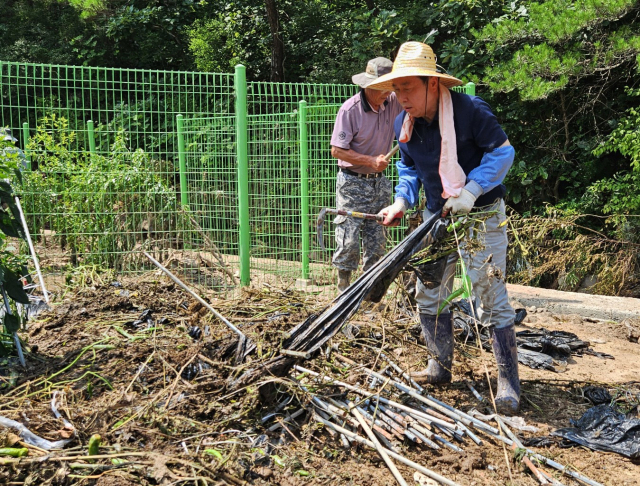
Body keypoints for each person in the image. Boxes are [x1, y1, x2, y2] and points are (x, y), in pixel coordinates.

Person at [369, 42, 520, 413]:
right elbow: (408, 168)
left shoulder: (470, 112)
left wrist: (470, 191)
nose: (400, 96)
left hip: (479, 215)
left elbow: (503, 153)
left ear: (433, 85)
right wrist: (402, 200)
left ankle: (508, 383)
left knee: (489, 294)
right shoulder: (403, 122)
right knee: (429, 290)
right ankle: (439, 365)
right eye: (396, 88)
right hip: (436, 216)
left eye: (408, 88)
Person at [330, 57, 404, 292]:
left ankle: (370, 295)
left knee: (376, 241)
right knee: (348, 239)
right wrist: (370, 160)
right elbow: (337, 150)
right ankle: (343, 292)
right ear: (368, 86)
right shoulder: (350, 110)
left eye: (390, 87)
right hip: (352, 182)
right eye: (385, 87)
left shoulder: (393, 102)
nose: (388, 93)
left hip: (379, 184)